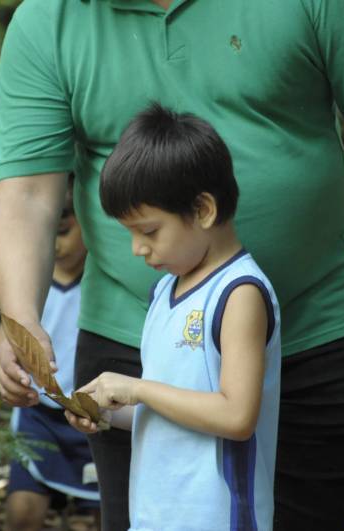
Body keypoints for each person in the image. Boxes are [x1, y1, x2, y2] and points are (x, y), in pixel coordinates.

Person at [0, 1, 344, 529]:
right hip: (130, 335)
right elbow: (26, 191)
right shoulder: (51, 17)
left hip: (311, 333)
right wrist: (20, 317)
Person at [66, 103, 281, 531]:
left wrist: (137, 388)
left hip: (216, 518)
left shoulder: (238, 294)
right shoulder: (165, 290)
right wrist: (107, 412)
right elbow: (168, 408)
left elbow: (236, 417)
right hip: (155, 515)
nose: (137, 249)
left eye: (149, 232)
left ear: (203, 210)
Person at [0, 177, 99, 531]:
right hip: (38, 411)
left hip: (93, 413)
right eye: (48, 234)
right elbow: (10, 330)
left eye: (64, 231)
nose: (55, 245)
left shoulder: (104, 280)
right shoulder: (30, 284)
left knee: (105, 513)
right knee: (23, 511)